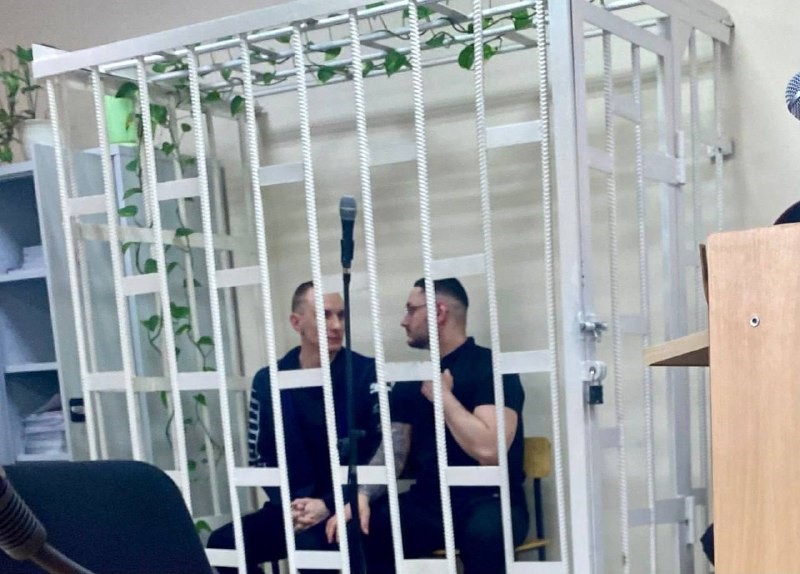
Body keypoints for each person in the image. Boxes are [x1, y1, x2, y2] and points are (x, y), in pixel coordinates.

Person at [326, 277, 529, 574]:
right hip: (431, 503)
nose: (403, 321)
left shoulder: (491, 367)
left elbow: (490, 450)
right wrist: (362, 495)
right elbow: (393, 453)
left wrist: (443, 398)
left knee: (485, 535)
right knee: (358, 528)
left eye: (411, 310)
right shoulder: (411, 379)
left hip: (492, 500)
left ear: (439, 312)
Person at [207, 281, 381, 574]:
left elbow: (379, 454)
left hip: (348, 505)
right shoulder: (269, 380)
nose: (336, 325)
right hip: (292, 507)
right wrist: (292, 507)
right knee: (223, 545)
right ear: (296, 322)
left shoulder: (365, 373)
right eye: (324, 315)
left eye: (341, 315)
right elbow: (260, 455)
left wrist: (329, 504)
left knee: (312, 548)